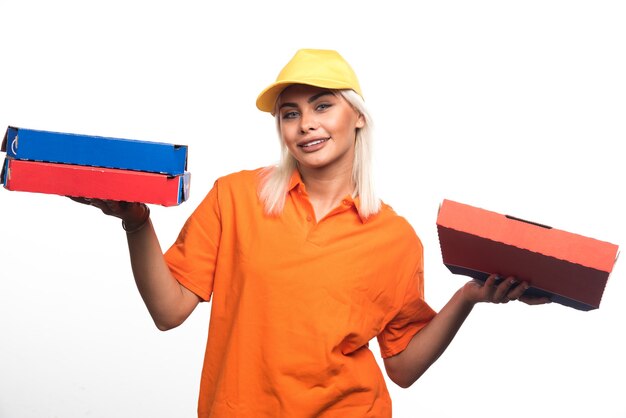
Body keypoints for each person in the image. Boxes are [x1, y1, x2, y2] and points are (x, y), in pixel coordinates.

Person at [76, 48, 549, 417]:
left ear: (358, 116)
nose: (306, 124)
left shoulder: (396, 239)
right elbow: (168, 310)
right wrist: (137, 223)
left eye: (323, 105)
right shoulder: (236, 197)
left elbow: (402, 367)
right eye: (290, 113)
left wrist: (467, 297)